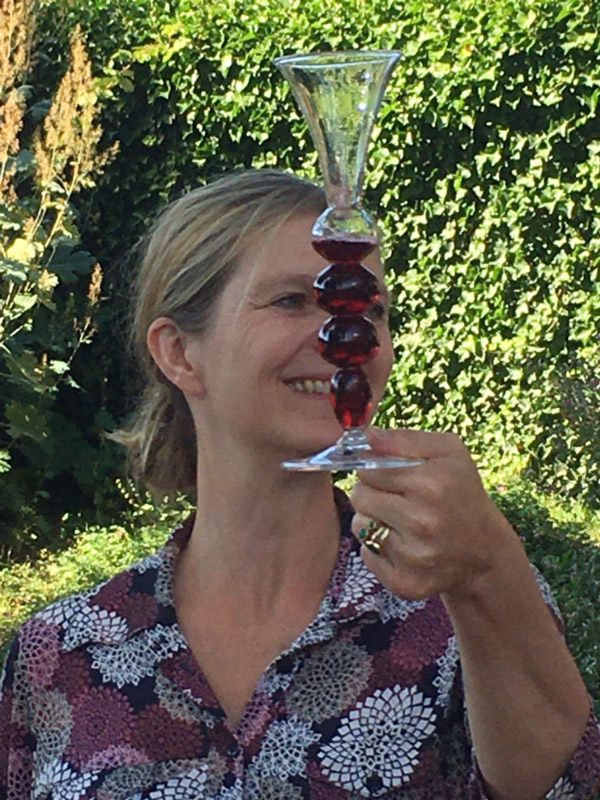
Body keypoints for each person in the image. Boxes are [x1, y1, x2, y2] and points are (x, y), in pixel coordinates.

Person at [1, 169, 599, 800]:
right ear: (179, 353)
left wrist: (490, 570)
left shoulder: (458, 610)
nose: (350, 336)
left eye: (369, 308)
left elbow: (569, 787)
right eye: (291, 301)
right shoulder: (61, 655)